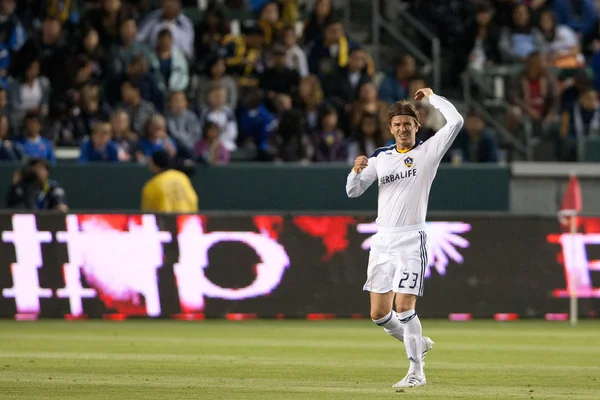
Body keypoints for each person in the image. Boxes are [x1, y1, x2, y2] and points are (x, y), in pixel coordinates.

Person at [345, 88, 464, 388]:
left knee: (405, 307)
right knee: (379, 314)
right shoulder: (381, 157)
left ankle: (417, 372)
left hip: (412, 239)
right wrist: (355, 172)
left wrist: (434, 97)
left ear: (416, 126)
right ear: (390, 128)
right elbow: (353, 191)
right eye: (397, 124)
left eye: (407, 123)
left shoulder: (428, 153)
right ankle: (418, 343)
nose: (402, 128)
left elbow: (457, 121)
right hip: (382, 240)